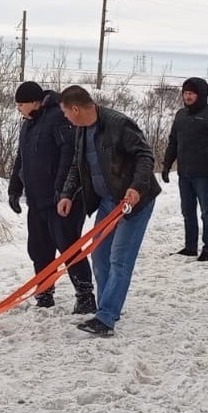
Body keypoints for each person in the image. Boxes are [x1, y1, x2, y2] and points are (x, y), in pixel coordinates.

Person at [56, 86, 162, 338]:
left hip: (133, 202)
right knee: (100, 255)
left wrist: (136, 188)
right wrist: (67, 194)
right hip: (107, 202)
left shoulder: (118, 124)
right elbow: (77, 164)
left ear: (76, 109)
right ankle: (107, 307)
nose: (65, 118)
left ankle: (106, 317)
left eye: (65, 113)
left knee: (119, 259)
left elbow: (145, 156)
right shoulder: (81, 131)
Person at [7, 81, 96, 313]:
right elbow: (21, 158)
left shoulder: (58, 117)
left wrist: (62, 191)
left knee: (69, 247)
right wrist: (15, 188)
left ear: (35, 102)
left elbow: (70, 155)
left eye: (21, 104)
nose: (18, 108)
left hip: (62, 201)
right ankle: (44, 293)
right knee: (39, 249)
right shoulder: (27, 124)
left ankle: (85, 295)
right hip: (36, 200)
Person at [162, 77, 208, 261]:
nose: (188, 96)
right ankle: (190, 246)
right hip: (185, 174)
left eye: (191, 93)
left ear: (200, 95)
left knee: (207, 212)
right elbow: (173, 142)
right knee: (187, 211)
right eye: (185, 93)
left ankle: (207, 249)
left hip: (205, 175)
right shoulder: (180, 115)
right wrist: (167, 165)